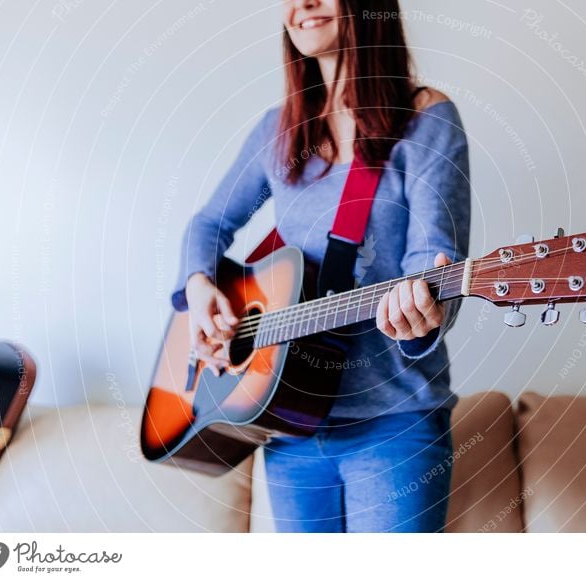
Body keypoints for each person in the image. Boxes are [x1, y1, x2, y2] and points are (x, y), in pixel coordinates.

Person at [171, 0, 470, 533]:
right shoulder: (278, 129)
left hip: (394, 422)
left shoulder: (425, 118)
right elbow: (209, 224)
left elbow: (434, 259)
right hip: (286, 420)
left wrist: (423, 312)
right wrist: (198, 288)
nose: (302, 5)